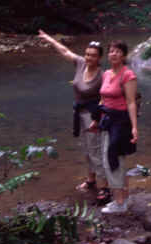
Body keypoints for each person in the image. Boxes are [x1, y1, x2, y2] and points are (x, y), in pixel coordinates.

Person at [37, 30, 109, 200]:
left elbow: (105, 99)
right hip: (80, 113)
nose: (88, 57)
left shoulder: (102, 76)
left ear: (99, 58)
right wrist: (49, 39)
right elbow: (65, 51)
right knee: (86, 149)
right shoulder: (80, 63)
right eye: (87, 54)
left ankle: (104, 187)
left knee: (96, 150)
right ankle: (91, 180)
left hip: (93, 116)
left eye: (93, 55)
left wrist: (98, 119)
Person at [94, 40, 139, 214]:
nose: (113, 54)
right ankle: (124, 199)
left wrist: (135, 128)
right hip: (107, 121)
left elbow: (131, 102)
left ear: (124, 55)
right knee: (113, 159)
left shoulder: (128, 75)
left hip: (121, 123)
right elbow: (103, 99)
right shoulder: (106, 74)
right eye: (111, 51)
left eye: (117, 51)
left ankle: (119, 203)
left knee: (112, 159)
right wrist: (96, 119)